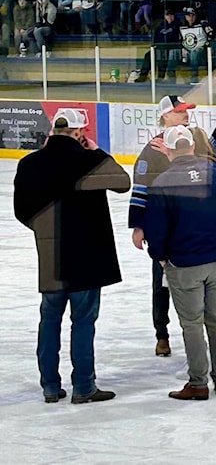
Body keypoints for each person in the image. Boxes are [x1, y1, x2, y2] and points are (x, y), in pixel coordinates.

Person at [14, 108, 130, 404]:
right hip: (88, 258)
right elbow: (122, 182)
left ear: (54, 129)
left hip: (51, 257)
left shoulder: (29, 164)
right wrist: (98, 152)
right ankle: (83, 387)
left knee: (49, 320)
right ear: (80, 133)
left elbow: (21, 211)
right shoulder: (89, 161)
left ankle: (50, 387)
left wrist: (45, 232)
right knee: (83, 322)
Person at [143, 125, 216, 400]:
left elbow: (156, 230)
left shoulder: (163, 182)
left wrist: (162, 257)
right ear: (191, 146)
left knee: (192, 324)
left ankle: (198, 383)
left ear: (170, 151)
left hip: (184, 265)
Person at [129, 96, 202, 357]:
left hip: (194, 225)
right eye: (180, 111)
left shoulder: (196, 141)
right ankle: (162, 334)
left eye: (187, 111)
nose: (186, 115)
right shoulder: (151, 150)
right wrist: (138, 224)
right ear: (165, 116)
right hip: (165, 229)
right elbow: (140, 187)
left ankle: (197, 333)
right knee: (161, 285)